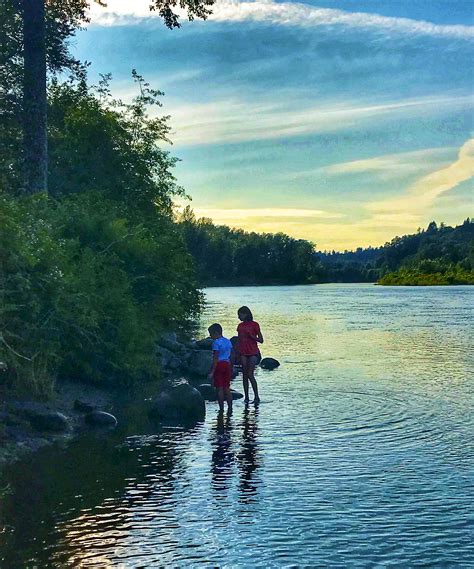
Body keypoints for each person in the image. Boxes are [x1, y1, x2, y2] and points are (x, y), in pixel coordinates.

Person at [237, 306, 264, 404]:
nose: (239, 316)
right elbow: (239, 340)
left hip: (252, 352)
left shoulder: (255, 325)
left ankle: (256, 396)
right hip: (243, 352)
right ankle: (247, 397)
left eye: (240, 314)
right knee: (244, 375)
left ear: (246, 314)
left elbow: (261, 340)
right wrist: (238, 353)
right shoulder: (240, 326)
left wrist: (252, 337)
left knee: (250, 374)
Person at [208, 323, 234, 414]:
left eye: (211, 334)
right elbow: (231, 355)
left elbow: (215, 357)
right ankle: (230, 407)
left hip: (219, 364)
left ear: (216, 333)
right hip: (227, 364)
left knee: (219, 388)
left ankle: (221, 408)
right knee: (227, 387)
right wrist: (231, 366)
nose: (210, 336)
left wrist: (212, 371)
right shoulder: (228, 341)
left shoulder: (216, 343)